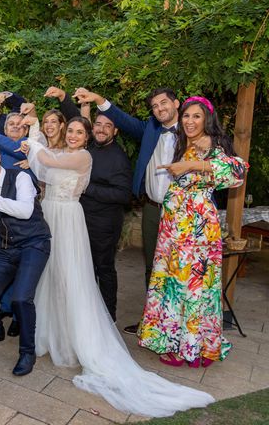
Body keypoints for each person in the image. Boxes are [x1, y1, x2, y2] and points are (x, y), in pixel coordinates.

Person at [20, 117, 215, 417]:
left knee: (72, 279)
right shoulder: (61, 154)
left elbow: (43, 159)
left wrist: (32, 138)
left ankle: (78, 341)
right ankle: (49, 334)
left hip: (68, 219)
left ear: (86, 138)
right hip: (49, 215)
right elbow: (44, 166)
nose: (73, 135)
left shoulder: (82, 156)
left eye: (79, 132)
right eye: (69, 130)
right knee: (50, 277)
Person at [138, 97, 248, 368]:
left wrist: (192, 165)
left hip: (197, 227)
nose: (189, 121)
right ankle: (173, 342)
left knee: (196, 286)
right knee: (173, 284)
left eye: (196, 117)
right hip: (173, 224)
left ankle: (197, 346)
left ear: (206, 120)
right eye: (186, 116)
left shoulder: (212, 144)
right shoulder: (180, 141)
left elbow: (238, 171)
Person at [74, 87, 180, 334]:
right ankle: (152, 322)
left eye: (164, 103)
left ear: (176, 103)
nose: (160, 109)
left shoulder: (191, 131)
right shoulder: (151, 129)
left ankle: (177, 324)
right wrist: (99, 100)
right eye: (155, 106)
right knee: (152, 267)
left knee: (179, 267)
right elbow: (122, 120)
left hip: (182, 212)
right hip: (154, 207)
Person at [0, 139, 51, 377]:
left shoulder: (21, 177)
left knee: (21, 299)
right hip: (5, 248)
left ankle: (27, 351)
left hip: (34, 244)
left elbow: (25, 211)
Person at [51, 86, 132, 322]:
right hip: (77, 218)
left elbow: (124, 195)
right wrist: (64, 97)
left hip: (103, 224)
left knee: (102, 268)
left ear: (115, 131)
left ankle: (108, 316)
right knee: (79, 268)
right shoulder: (87, 148)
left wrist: (87, 188)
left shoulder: (119, 159)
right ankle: (83, 313)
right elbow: (75, 121)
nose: (101, 129)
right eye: (98, 124)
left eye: (108, 126)